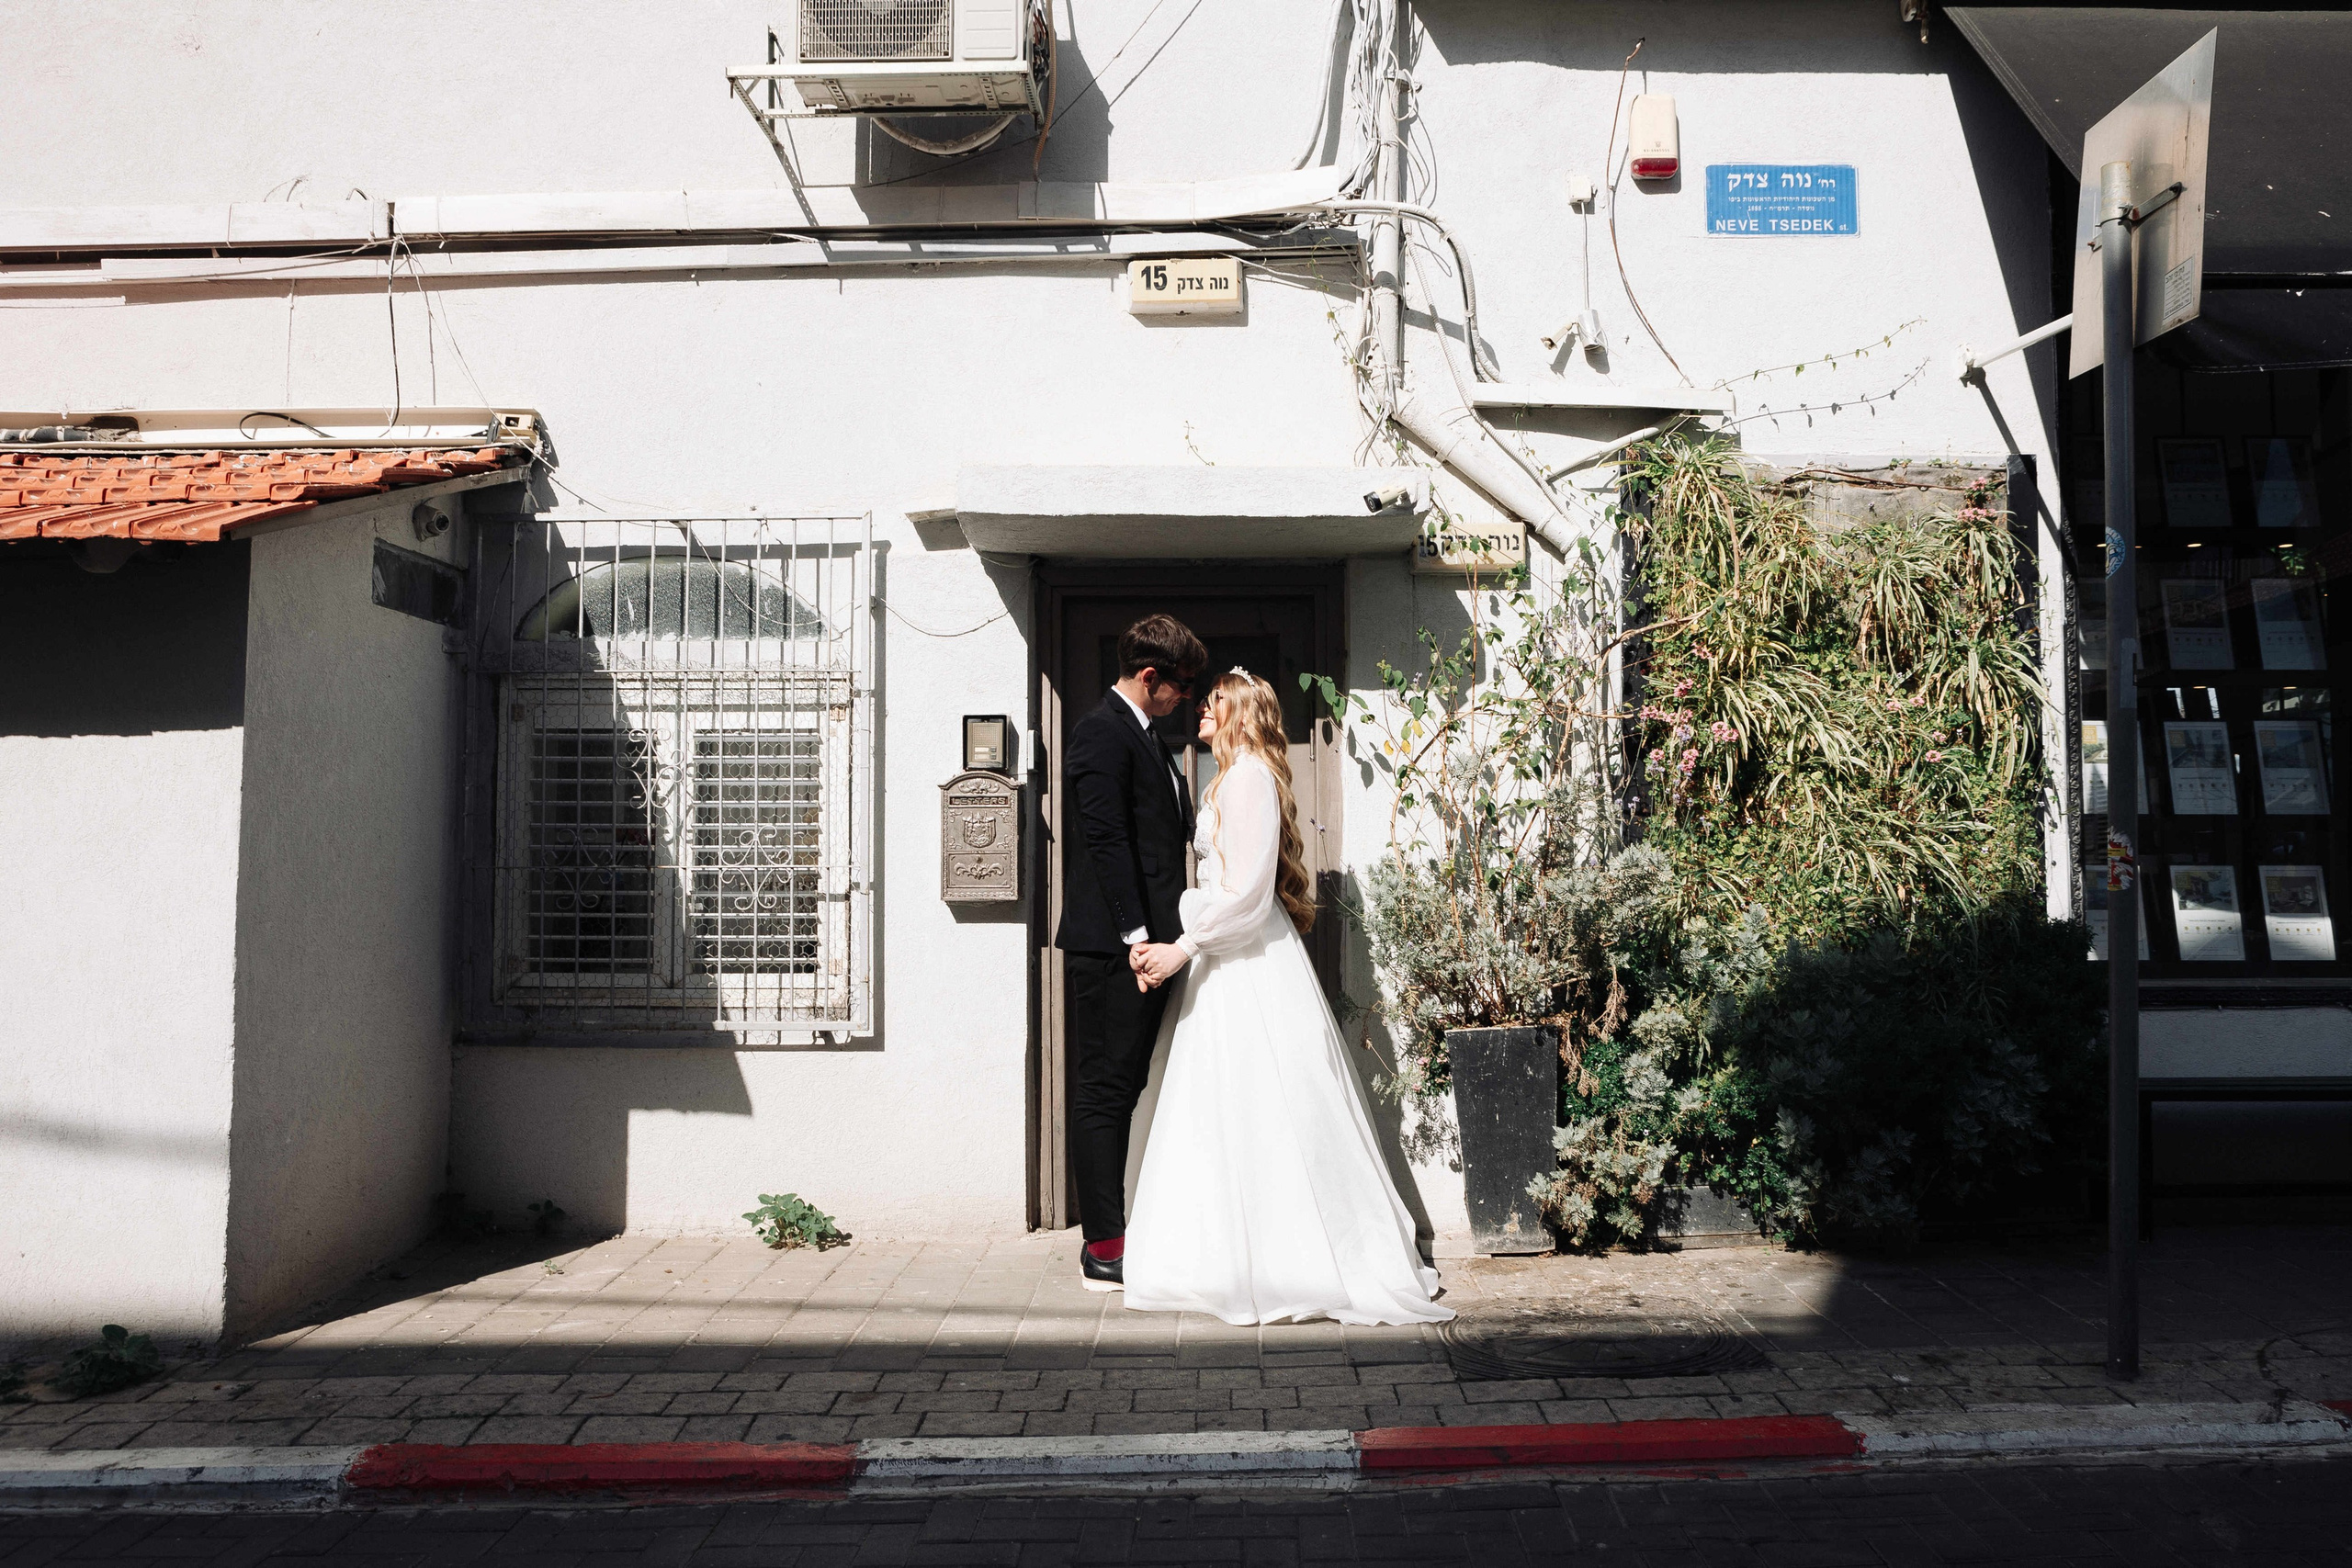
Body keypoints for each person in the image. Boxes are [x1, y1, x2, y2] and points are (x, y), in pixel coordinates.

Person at [1124, 669, 1453, 1325]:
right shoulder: (1235, 776)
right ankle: (1229, 1253)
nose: (1203, 714)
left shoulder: (1247, 780)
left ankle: (1286, 1256)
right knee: (1229, 1108)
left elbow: (1246, 897)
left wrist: (1181, 947)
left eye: (1215, 704)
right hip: (1226, 962)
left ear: (1241, 712)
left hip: (1245, 962)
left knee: (1264, 1102)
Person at [1054, 613, 1208, 1292]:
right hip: (1116, 949)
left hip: (1144, 944)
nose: (1186, 697)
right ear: (1150, 677)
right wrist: (1138, 938)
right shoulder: (1100, 731)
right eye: (1180, 685)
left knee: (1125, 1085)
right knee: (1106, 1089)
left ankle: (1116, 1235)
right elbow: (1106, 841)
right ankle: (1103, 1247)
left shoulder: (1147, 734)